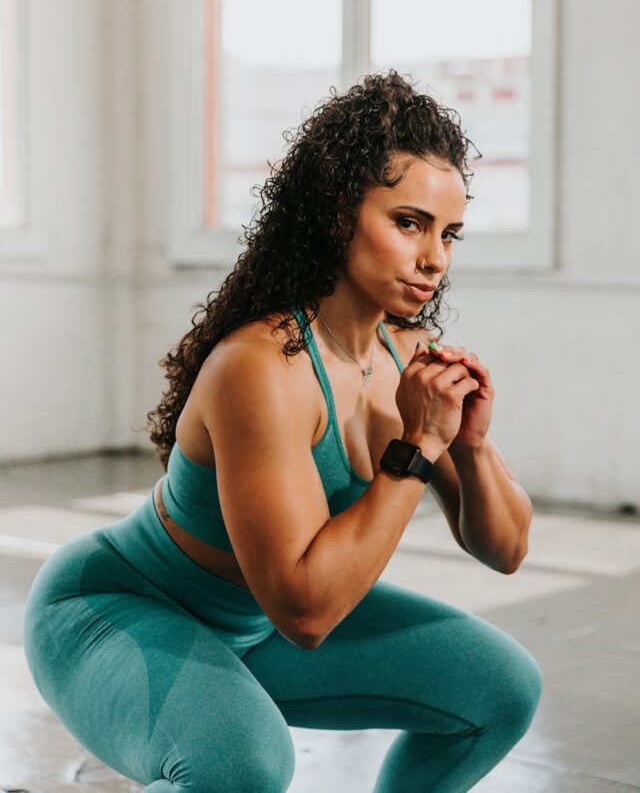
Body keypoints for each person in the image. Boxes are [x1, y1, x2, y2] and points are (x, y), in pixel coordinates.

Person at [24, 71, 542, 792]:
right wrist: (418, 447)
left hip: (252, 628)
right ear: (337, 213)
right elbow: (306, 608)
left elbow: (508, 548)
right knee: (243, 767)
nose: (435, 258)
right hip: (116, 610)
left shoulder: (406, 354)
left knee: (503, 689)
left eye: (447, 233)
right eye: (409, 222)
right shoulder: (260, 367)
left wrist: (470, 445)